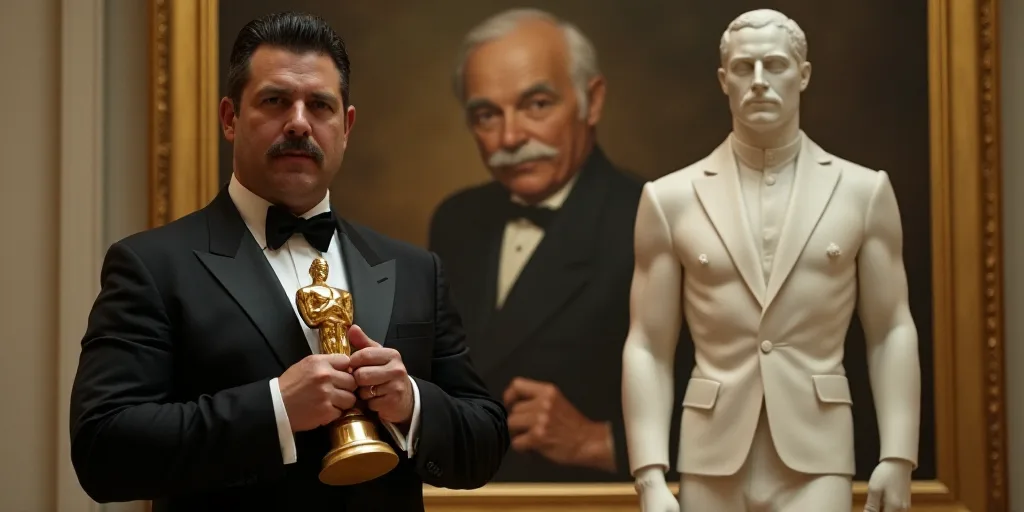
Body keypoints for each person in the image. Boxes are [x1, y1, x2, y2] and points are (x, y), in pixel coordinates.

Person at [69, 12, 509, 511]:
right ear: (231, 118)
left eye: (319, 105)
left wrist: (412, 404)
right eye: (276, 100)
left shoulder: (416, 270)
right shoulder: (150, 265)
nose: (299, 122)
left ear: (345, 126)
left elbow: (486, 443)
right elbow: (102, 451)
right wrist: (276, 407)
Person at [620, 9, 920, 512]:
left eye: (775, 65)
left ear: (802, 75)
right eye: (743, 68)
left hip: (817, 455)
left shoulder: (863, 193)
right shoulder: (669, 199)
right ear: (723, 80)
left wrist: (898, 455)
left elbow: (891, 328)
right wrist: (649, 475)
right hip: (711, 455)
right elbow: (648, 344)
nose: (759, 82)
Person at [427, 8, 690, 483]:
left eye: (537, 104)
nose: (510, 137)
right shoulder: (455, 220)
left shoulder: (661, 222)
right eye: (487, 114)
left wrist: (599, 440)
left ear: (592, 101)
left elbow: (738, 414)